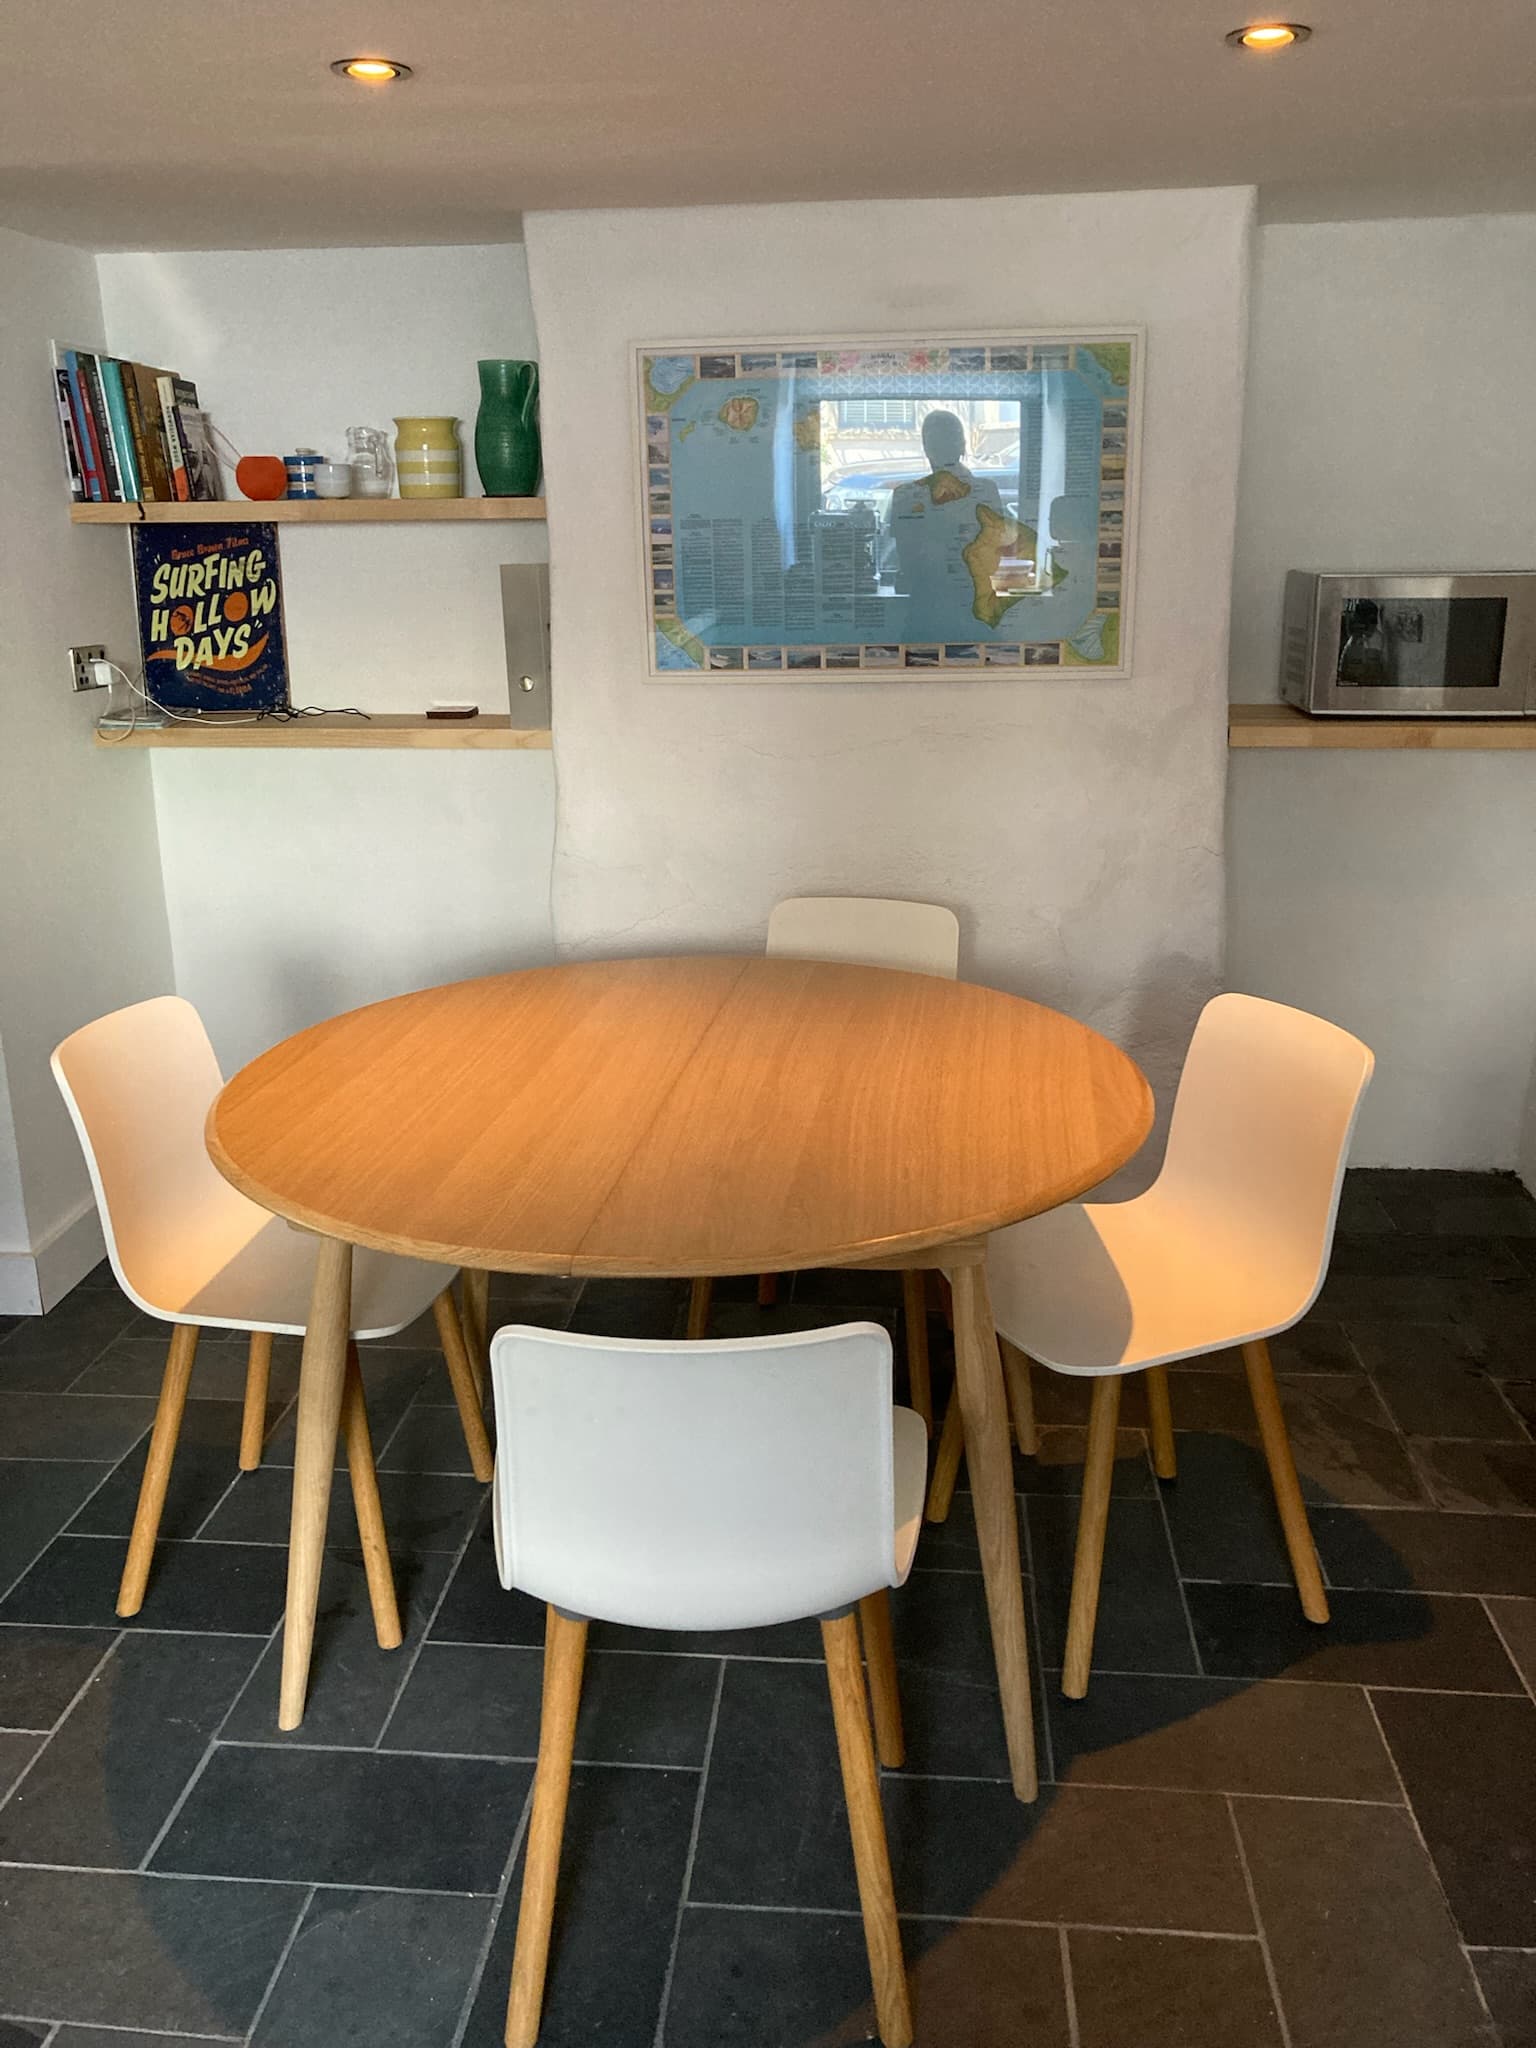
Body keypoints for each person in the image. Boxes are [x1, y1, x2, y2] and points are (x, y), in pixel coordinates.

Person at [886, 410, 1003, 612]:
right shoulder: (987, 491)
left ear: (926, 448)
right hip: (969, 603)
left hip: (931, 603)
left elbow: (907, 563)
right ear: (963, 445)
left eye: (938, 442)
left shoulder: (905, 496)